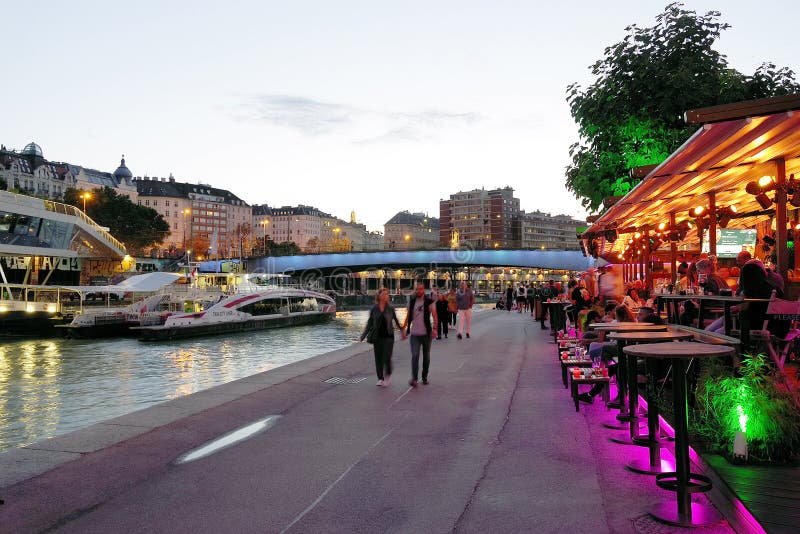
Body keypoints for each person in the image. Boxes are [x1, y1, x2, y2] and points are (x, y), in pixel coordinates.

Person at [360, 288, 404, 386]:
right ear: (379, 296)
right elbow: (370, 323)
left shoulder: (390, 308)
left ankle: (387, 375)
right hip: (377, 337)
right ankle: (380, 378)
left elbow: (396, 320)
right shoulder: (374, 309)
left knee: (386, 358)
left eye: (387, 294)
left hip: (388, 336)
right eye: (384, 294)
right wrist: (363, 336)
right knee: (378, 358)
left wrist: (402, 331)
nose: (386, 296)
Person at [403, 282, 437, 387]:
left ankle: (425, 376)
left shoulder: (430, 302)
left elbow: (435, 316)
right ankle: (414, 378)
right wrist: (404, 329)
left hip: (426, 334)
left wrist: (435, 329)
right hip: (415, 335)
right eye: (417, 289)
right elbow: (408, 317)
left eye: (421, 289)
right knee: (415, 356)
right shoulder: (411, 302)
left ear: (424, 290)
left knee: (426, 356)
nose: (418, 291)